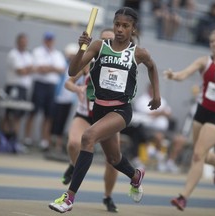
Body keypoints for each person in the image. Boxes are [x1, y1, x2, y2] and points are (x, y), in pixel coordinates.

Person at [48, 7, 161, 213]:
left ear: (133, 29)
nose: (119, 29)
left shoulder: (138, 53)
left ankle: (69, 197)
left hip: (121, 111)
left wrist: (156, 94)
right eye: (117, 24)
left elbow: (152, 67)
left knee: (88, 137)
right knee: (114, 159)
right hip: (99, 109)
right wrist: (82, 48)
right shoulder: (100, 46)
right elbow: (72, 71)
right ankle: (135, 176)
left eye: (125, 26)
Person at [163, 28, 215, 211]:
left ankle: (183, 197)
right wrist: (173, 75)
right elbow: (185, 73)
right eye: (211, 41)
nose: (214, 44)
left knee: (197, 154)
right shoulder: (204, 61)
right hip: (201, 112)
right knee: (200, 152)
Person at [61, 29, 119, 212]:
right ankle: (73, 164)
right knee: (72, 144)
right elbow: (68, 81)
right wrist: (77, 89)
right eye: (103, 40)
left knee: (113, 161)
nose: (106, 43)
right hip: (86, 115)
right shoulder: (89, 63)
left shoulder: (120, 66)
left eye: (110, 40)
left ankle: (108, 196)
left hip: (107, 118)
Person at [24, 32, 66, 150]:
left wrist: (49, 68)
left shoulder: (57, 54)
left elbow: (62, 69)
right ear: (44, 40)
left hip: (51, 86)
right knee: (33, 112)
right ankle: (28, 137)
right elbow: (37, 68)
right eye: (48, 39)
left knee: (48, 115)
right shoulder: (37, 52)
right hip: (39, 84)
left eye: (51, 40)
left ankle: (44, 140)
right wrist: (51, 68)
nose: (49, 42)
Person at [2, 33, 33, 152]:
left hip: (24, 88)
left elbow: (30, 69)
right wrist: (29, 68)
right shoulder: (13, 54)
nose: (24, 43)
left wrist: (28, 69)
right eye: (22, 41)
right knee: (8, 113)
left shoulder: (28, 55)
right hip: (13, 86)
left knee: (18, 115)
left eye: (26, 41)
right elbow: (21, 71)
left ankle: (14, 139)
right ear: (18, 42)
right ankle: (5, 138)